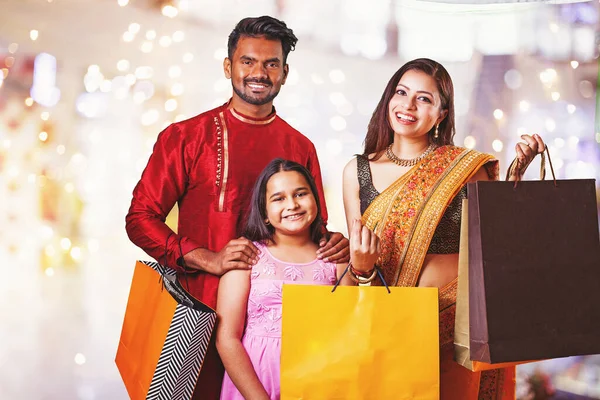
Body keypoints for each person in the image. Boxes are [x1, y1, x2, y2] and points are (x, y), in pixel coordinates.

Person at [125, 16, 349, 400]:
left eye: (271, 64)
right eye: (247, 61)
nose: (258, 73)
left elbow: (312, 229)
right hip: (196, 317)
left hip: (275, 335)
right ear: (229, 66)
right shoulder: (185, 137)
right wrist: (206, 258)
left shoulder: (300, 147)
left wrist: (335, 244)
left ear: (284, 72)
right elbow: (140, 218)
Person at [342, 58, 545, 399]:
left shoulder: (464, 168)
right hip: (391, 324)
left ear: (441, 114)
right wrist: (360, 268)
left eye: (423, 98)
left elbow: (498, 247)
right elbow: (358, 256)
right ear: (388, 98)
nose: (408, 105)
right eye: (401, 92)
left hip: (458, 328)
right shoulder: (356, 171)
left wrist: (515, 180)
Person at [216, 158, 375, 400]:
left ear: (315, 200)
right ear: (265, 212)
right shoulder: (246, 257)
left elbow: (353, 326)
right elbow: (227, 338)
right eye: (278, 198)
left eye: (300, 194)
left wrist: (362, 268)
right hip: (255, 382)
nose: (292, 204)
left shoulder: (335, 258)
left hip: (319, 382)